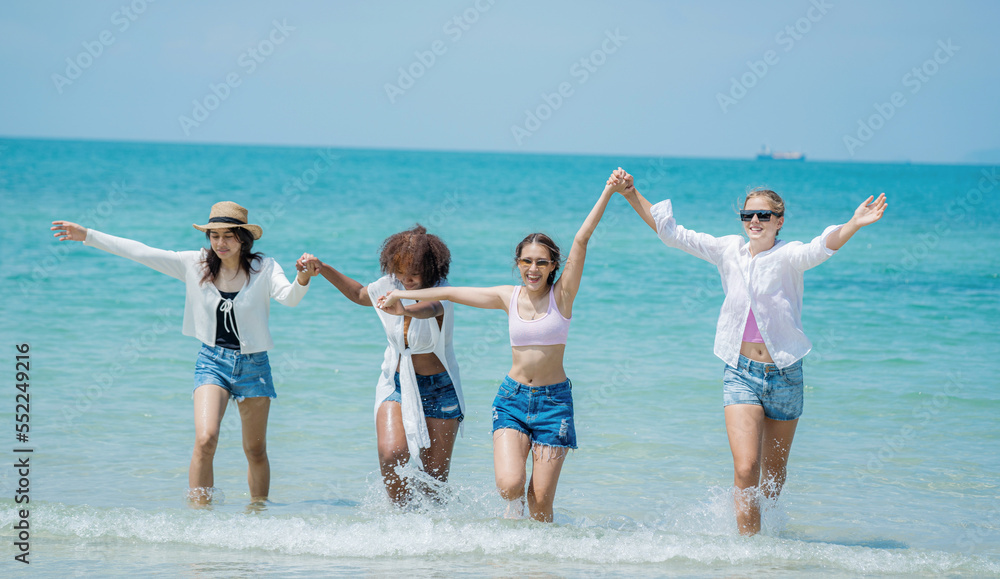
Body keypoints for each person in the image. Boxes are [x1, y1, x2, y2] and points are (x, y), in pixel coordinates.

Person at [613, 167, 887, 535]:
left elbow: (823, 245)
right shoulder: (728, 250)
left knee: (774, 479)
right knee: (746, 470)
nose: (754, 221)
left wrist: (853, 223)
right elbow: (673, 234)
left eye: (763, 215)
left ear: (780, 220)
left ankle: (769, 545)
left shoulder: (791, 255)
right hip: (740, 372)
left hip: (786, 374)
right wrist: (632, 194)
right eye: (748, 215)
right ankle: (748, 557)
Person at [378, 176, 628, 522]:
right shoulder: (507, 297)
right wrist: (401, 298)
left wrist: (609, 191)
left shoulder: (563, 296)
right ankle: (512, 531)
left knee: (540, 503)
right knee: (510, 486)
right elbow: (450, 294)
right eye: (526, 261)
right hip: (511, 400)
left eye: (541, 262)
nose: (533, 269)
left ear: (554, 265)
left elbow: (581, 239)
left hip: (554, 404)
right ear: (518, 263)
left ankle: (536, 563)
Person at [51, 201, 320, 505]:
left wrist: (303, 277)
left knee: (254, 450)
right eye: (214, 236)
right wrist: (88, 234)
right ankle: (199, 519)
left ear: (243, 239)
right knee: (205, 440)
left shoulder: (264, 268)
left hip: (254, 366)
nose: (220, 243)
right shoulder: (195, 264)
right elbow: (140, 251)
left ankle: (258, 515)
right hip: (212, 362)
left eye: (228, 236)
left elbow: (290, 297)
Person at [296, 226, 464, 505]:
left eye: (414, 273)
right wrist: (322, 268)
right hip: (396, 382)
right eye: (400, 272)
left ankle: (433, 535)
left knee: (434, 480)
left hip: (440, 389)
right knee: (390, 454)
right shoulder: (392, 284)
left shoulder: (442, 289)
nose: (406, 279)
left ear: (431, 268)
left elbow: (433, 308)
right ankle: (400, 520)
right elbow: (361, 294)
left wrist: (404, 308)